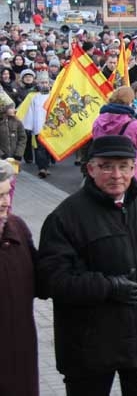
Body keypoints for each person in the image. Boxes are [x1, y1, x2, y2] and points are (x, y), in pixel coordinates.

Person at [37, 135, 137, 396]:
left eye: (124, 166)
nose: (117, 175)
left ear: (134, 167)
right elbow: (52, 280)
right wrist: (107, 287)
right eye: (106, 167)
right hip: (89, 347)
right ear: (91, 168)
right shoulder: (66, 216)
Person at [0, 164, 40, 396]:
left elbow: (41, 280)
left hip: (19, 350)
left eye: (7, 193)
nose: (5, 202)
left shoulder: (17, 228)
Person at [92, 86, 137, 184]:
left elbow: (95, 139)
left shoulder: (98, 120)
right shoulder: (131, 123)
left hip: (104, 165)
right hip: (125, 167)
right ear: (129, 102)